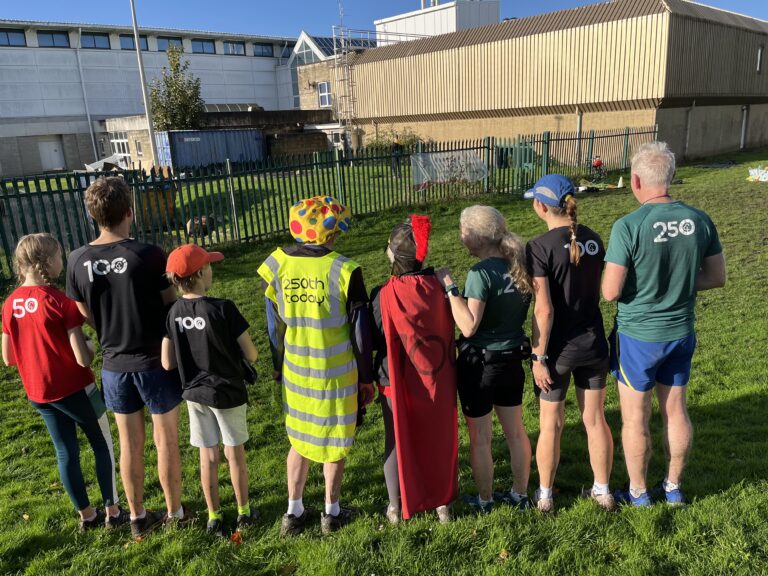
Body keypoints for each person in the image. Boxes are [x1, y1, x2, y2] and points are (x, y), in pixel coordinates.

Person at [602, 141, 726, 506]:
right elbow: (717, 276)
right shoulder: (699, 219)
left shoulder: (629, 225)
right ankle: (673, 487)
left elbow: (610, 292)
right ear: (669, 178)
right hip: (681, 331)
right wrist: (680, 283)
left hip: (638, 337)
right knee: (676, 410)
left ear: (636, 180)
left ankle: (638, 492)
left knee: (635, 419)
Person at [66, 176, 186, 539]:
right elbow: (172, 306)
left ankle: (136, 516)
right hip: (155, 363)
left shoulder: (76, 259)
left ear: (92, 215)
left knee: (129, 445)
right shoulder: (149, 255)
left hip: (114, 366)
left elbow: (82, 313)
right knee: (165, 441)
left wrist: (109, 324)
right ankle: (175, 513)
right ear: (129, 212)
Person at [258, 196, 375, 536]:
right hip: (336, 374)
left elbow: (273, 326)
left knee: (299, 439)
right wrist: (366, 377)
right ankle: (331, 513)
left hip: (296, 372)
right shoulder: (344, 270)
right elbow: (360, 331)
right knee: (333, 443)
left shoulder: (277, 265)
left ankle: (293, 514)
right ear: (332, 230)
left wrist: (278, 366)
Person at [1, 233, 129, 532]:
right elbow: (83, 358)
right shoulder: (60, 302)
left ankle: (87, 515)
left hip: (40, 392)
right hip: (76, 388)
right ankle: (112, 510)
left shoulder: (9, 304)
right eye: (60, 255)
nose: (63, 260)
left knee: (65, 451)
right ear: (47, 262)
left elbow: (7, 357)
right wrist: (91, 346)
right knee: (103, 445)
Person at [525, 175, 614, 513]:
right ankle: (603, 491)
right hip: (593, 346)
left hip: (557, 351)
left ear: (541, 205)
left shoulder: (538, 246)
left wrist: (538, 357)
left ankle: (545, 496)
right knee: (595, 419)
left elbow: (544, 309)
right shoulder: (594, 239)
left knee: (551, 423)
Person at [436, 205, 533, 513]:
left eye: (463, 231)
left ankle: (485, 500)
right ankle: (520, 495)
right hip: (512, 361)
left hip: (481, 364)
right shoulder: (518, 262)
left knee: (481, 438)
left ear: (476, 237)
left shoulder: (480, 273)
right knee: (516, 432)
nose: (461, 237)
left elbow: (468, 325)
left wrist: (451, 288)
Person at [161, 244, 259, 537]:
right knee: (235, 454)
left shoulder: (173, 312)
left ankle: (214, 516)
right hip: (227, 392)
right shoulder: (223, 308)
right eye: (210, 266)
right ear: (201, 272)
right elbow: (252, 354)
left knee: (208, 457)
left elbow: (167, 362)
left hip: (195, 395)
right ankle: (243, 512)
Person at [370, 215, 457, 525]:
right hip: (436, 377)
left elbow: (376, 335)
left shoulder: (383, 294)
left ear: (391, 255)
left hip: (394, 379)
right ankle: (441, 504)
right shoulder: (439, 287)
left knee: (394, 440)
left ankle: (395, 507)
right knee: (436, 439)